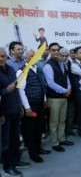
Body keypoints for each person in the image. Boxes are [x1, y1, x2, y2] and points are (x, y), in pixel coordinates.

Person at [0, 47, 30, 177]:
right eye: (0, 56)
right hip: (4, 114)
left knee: (15, 139)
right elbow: (5, 92)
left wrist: (20, 106)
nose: (2, 58)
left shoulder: (11, 69)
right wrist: (6, 90)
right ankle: (8, 167)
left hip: (15, 110)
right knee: (6, 142)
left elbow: (16, 89)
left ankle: (16, 161)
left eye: (4, 56)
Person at [17, 50, 51, 163]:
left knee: (39, 128)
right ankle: (33, 154)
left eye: (34, 55)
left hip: (40, 103)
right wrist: (27, 107)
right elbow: (21, 91)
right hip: (30, 105)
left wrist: (45, 99)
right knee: (30, 130)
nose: (33, 57)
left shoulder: (38, 69)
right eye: (31, 56)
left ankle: (39, 148)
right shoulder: (22, 71)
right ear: (26, 58)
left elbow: (42, 85)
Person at [43, 43, 74, 152]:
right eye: (53, 50)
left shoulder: (62, 64)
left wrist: (69, 88)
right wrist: (65, 90)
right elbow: (50, 83)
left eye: (57, 50)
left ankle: (62, 139)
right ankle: (55, 143)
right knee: (54, 122)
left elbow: (67, 79)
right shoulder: (48, 65)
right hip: (54, 98)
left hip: (64, 97)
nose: (56, 52)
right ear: (50, 51)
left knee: (62, 120)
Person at [59, 48, 76, 136]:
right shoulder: (57, 64)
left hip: (71, 92)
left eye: (66, 56)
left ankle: (69, 129)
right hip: (60, 93)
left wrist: (70, 90)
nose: (64, 57)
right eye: (62, 56)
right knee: (61, 114)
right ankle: (62, 132)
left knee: (70, 112)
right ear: (59, 55)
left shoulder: (71, 64)